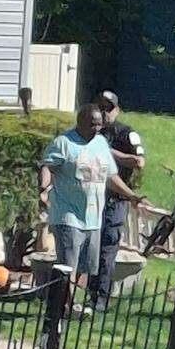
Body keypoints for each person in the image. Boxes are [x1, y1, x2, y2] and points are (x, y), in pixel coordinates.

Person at [40, 104, 148, 313]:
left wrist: (131, 195)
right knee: (67, 265)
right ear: (80, 123)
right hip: (67, 214)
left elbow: (111, 176)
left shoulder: (100, 144)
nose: (97, 129)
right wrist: (44, 187)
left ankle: (69, 302)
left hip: (92, 217)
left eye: (99, 125)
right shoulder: (64, 143)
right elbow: (48, 166)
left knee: (86, 266)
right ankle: (64, 308)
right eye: (92, 125)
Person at [88, 90, 146, 312]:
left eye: (109, 108)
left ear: (117, 110)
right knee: (90, 247)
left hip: (116, 199)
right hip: (92, 197)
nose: (104, 113)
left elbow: (139, 162)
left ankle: (100, 298)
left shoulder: (126, 133)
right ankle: (89, 293)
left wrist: (107, 151)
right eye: (101, 107)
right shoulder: (90, 132)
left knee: (106, 248)